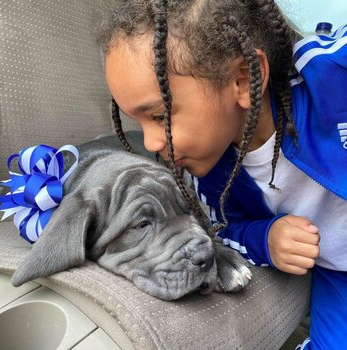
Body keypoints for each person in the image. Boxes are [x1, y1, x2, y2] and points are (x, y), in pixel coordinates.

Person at [96, 0, 347, 348]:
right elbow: (228, 228)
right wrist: (266, 238)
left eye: (159, 116)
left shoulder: (332, 74)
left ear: (242, 80)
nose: (153, 144)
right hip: (339, 275)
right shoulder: (211, 177)